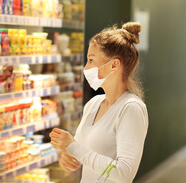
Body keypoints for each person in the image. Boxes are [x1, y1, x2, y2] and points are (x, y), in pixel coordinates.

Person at [49, 22, 149, 183]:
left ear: (114, 65)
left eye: (91, 60)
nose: (85, 68)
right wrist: (68, 156)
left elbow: (124, 173)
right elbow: (84, 153)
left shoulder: (131, 109)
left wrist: (73, 147)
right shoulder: (94, 104)